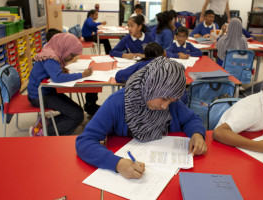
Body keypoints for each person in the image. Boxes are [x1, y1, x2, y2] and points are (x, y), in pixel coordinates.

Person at [76, 57, 207, 179]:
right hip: (128, 172)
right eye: (164, 99)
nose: (165, 106)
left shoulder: (171, 102)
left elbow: (191, 119)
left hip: (167, 172)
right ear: (151, 86)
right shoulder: (117, 103)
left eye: (171, 102)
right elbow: (85, 141)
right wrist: (117, 163)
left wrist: (197, 134)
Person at [27, 33, 92, 136]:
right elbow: (57, 78)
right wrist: (82, 75)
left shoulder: (53, 52)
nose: (72, 58)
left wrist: (60, 69)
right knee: (77, 115)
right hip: (39, 96)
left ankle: (45, 123)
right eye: (72, 55)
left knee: (78, 111)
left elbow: (53, 71)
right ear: (65, 47)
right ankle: (43, 132)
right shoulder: (50, 57)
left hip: (46, 91)